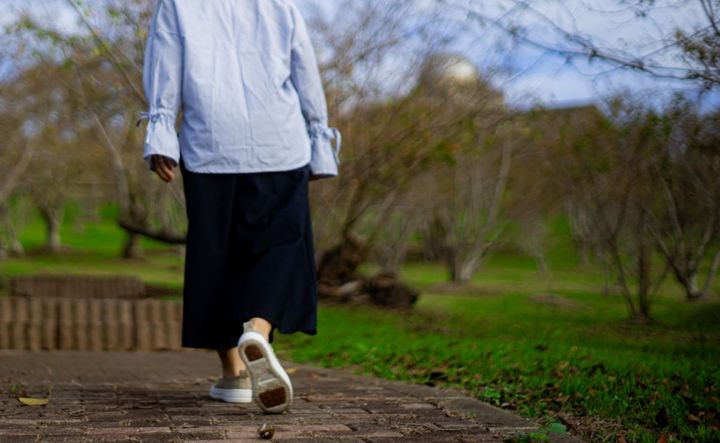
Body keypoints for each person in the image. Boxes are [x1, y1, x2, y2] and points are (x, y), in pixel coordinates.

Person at [139, 0, 340, 414]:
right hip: (279, 142)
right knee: (281, 246)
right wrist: (319, 141)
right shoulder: (280, 4)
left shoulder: (177, 4)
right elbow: (305, 71)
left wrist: (160, 135)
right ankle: (258, 332)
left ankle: (233, 375)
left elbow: (164, 66)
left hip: (211, 145)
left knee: (218, 257)